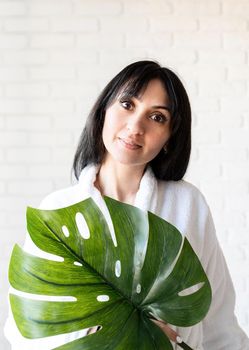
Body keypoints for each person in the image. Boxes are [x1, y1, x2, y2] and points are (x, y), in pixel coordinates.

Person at [5, 60, 249, 349]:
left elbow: (219, 323)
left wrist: (174, 339)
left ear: (170, 137)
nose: (135, 126)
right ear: (103, 112)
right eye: (127, 104)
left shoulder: (187, 204)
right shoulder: (60, 209)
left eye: (157, 117)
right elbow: (26, 326)